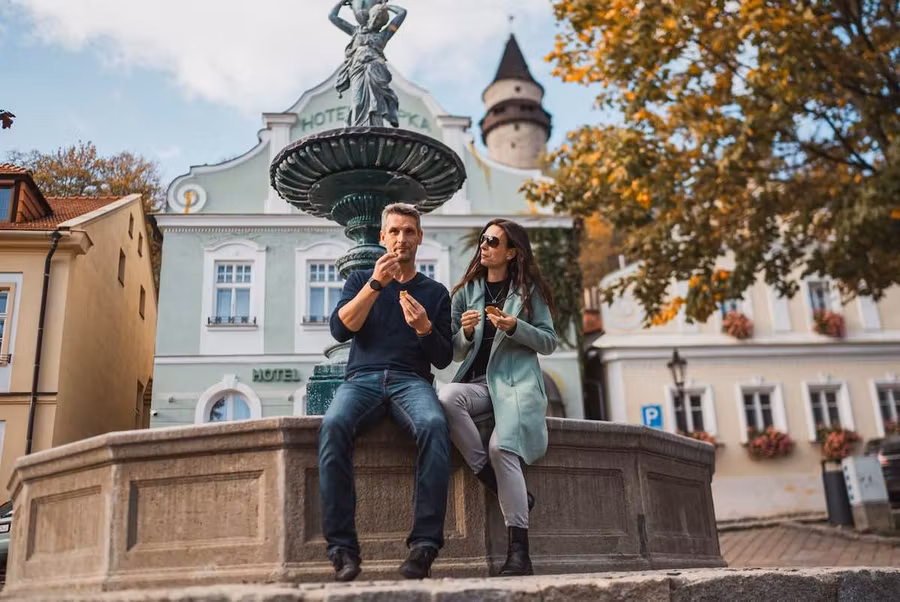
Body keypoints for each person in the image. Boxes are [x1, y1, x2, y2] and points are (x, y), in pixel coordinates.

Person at [318, 203, 453, 582]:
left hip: (411, 381)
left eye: (409, 231)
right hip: (361, 379)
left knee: (433, 425)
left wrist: (425, 328)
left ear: (420, 238)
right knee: (333, 425)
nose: (401, 239)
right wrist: (375, 286)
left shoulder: (435, 291)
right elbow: (340, 330)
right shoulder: (361, 278)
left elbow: (442, 358)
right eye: (394, 231)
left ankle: (424, 546)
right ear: (382, 237)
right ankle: (342, 549)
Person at [438, 218, 558, 576]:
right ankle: (488, 477)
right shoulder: (466, 292)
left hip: (517, 386)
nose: (484, 246)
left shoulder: (528, 293)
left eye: (493, 241)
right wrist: (465, 331)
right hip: (478, 385)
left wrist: (515, 326)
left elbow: (549, 341)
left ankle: (519, 553)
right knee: (447, 397)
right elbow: (454, 352)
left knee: (501, 448)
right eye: (482, 239)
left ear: (511, 252)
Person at [329, 0, 407, 127]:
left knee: (377, 102)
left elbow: (402, 13)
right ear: (370, 16)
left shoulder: (386, 34)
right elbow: (332, 17)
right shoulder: (355, 31)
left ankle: (376, 128)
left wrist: (385, 6)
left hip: (376, 70)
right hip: (358, 68)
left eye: (380, 21)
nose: (375, 21)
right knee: (358, 103)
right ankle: (357, 130)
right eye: (375, 17)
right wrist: (342, 2)